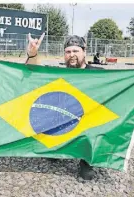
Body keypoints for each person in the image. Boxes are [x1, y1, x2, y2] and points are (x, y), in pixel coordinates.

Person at [25, 33, 104, 180]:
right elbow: (33, 73)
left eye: (75, 51)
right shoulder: (59, 73)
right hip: (64, 118)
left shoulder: (98, 75)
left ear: (84, 52)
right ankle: (58, 147)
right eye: (68, 52)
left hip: (88, 122)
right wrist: (33, 53)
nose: (72, 55)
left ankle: (86, 160)